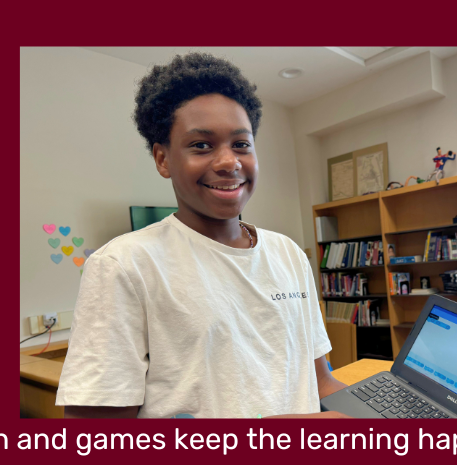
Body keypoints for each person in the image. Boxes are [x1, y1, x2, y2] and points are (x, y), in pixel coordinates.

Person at [55, 53, 348, 418]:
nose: (229, 162)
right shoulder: (124, 266)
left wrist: (376, 413)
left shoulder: (287, 253)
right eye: (201, 145)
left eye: (241, 144)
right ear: (163, 159)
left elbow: (320, 383)